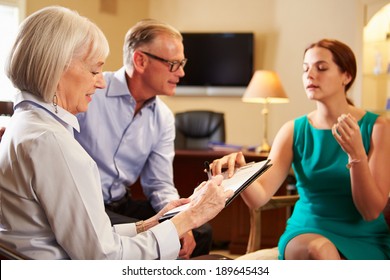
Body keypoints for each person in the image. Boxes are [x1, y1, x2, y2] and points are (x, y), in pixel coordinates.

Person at [0, 6, 233, 260]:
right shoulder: (52, 141)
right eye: (94, 70)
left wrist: (151, 224)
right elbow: (105, 258)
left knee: (200, 234)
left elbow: (92, 239)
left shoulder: (27, 123)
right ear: (57, 68)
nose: (100, 82)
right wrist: (189, 217)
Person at [210, 39, 390, 260]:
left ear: (347, 76)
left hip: (365, 237)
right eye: (305, 69)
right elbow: (260, 197)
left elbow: (370, 211)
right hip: (307, 232)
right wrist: (240, 173)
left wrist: (356, 155)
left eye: (321, 68)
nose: (310, 75)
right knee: (320, 249)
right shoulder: (294, 131)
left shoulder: (378, 127)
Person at [74, 19, 211, 259]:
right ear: (140, 60)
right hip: (82, 205)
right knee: (157, 236)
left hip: (119, 203)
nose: (181, 72)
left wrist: (180, 220)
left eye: (182, 63)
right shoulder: (90, 91)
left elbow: (159, 184)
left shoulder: (164, 118)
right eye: (173, 64)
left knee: (199, 232)